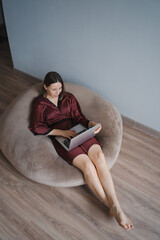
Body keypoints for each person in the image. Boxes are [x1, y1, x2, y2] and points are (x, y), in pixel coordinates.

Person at [29, 71, 133, 230]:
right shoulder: (40, 104)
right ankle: (114, 208)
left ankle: (115, 206)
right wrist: (61, 133)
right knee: (88, 167)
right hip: (61, 138)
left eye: (60, 88)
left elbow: (78, 117)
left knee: (99, 157)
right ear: (45, 87)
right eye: (54, 89)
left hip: (78, 130)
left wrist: (90, 124)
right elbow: (36, 126)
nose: (58, 92)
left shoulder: (68, 97)